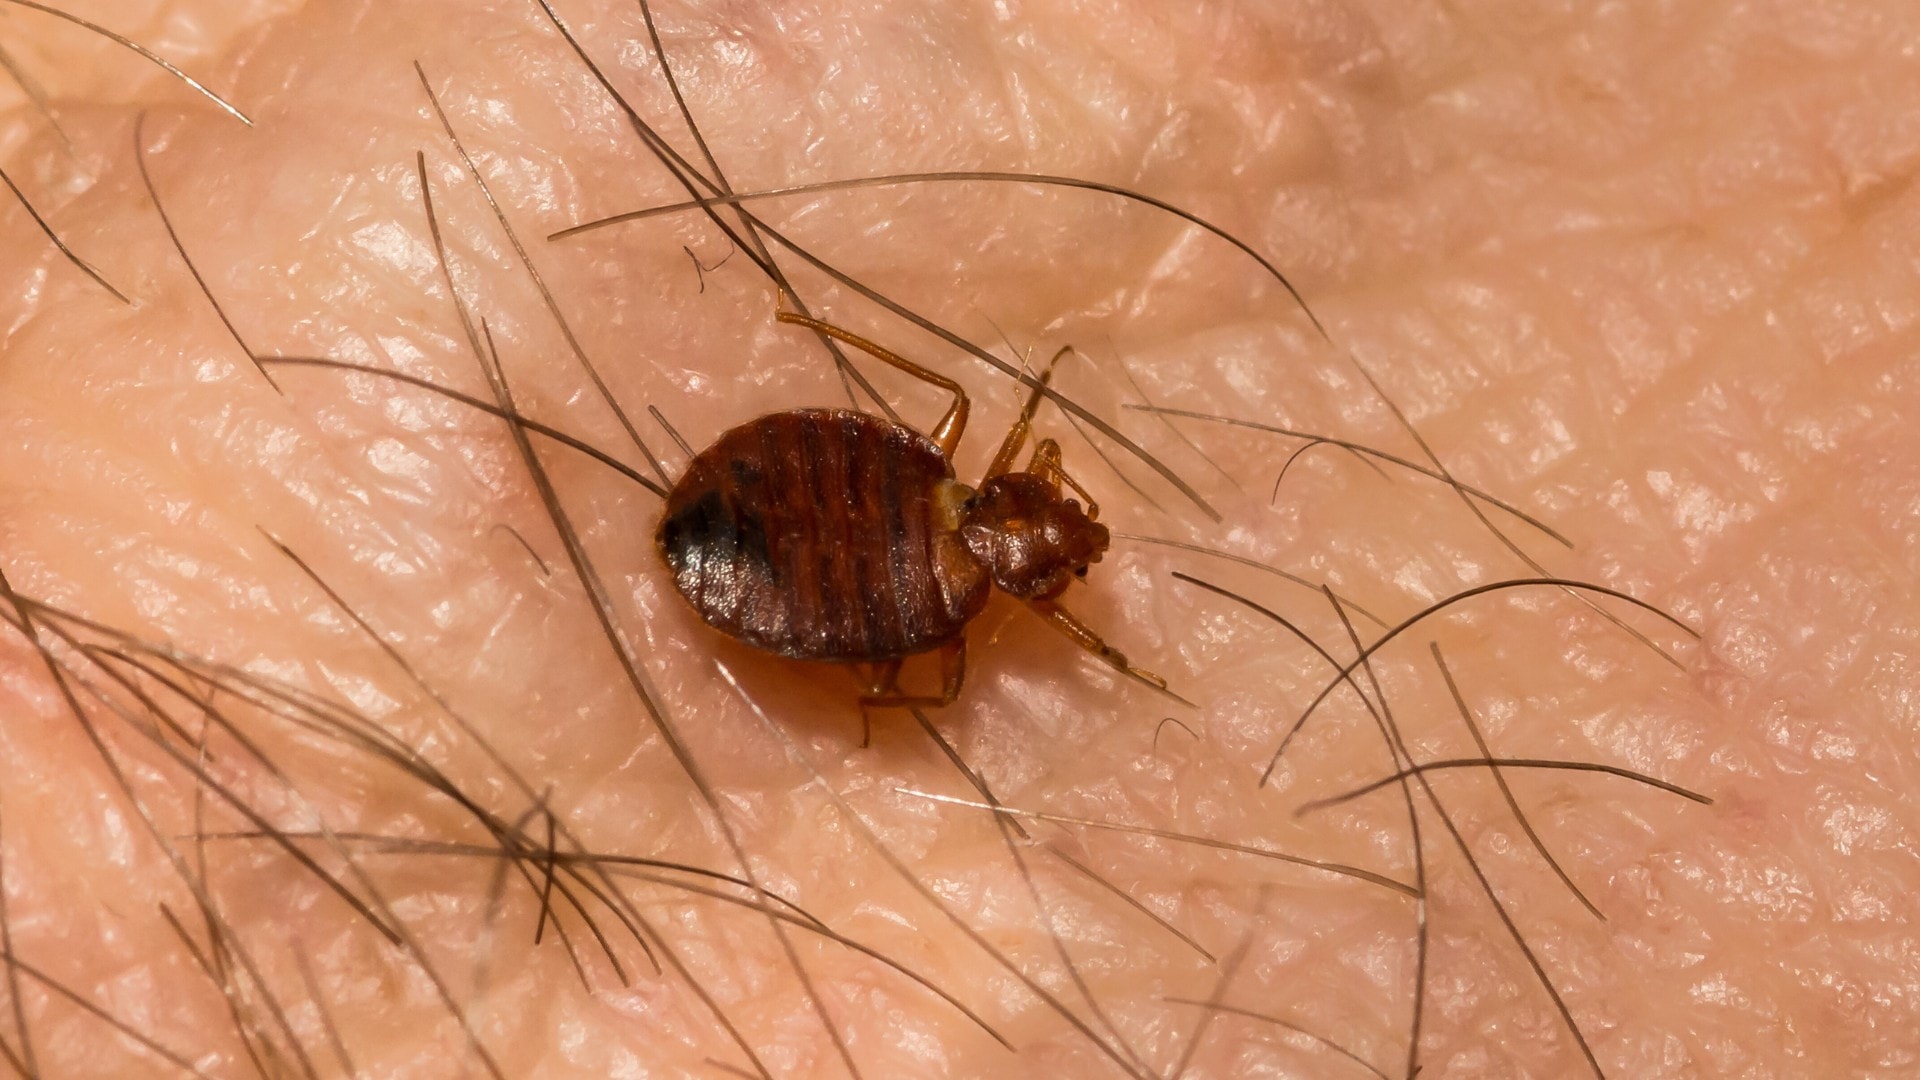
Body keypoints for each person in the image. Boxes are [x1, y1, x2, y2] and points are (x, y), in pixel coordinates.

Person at [0, 0, 1910, 1075]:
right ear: (1008, 492)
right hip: (812, 547)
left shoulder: (941, 571)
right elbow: (861, 588)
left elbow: (884, 578)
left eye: (1043, 537)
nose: (1053, 529)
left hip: (834, 552)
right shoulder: (939, 562)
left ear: (1008, 526)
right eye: (1045, 519)